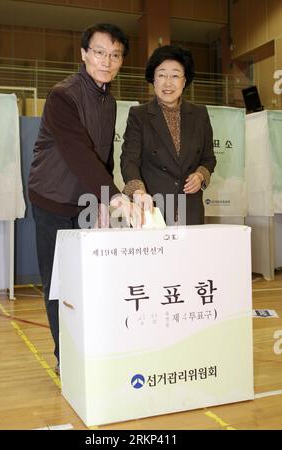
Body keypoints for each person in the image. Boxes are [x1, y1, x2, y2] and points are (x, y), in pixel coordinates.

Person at [28, 23, 139, 374]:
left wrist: (105, 202)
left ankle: (91, 350)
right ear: (84, 54)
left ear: (121, 61)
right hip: (52, 199)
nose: (106, 61)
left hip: (86, 203)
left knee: (90, 282)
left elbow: (102, 156)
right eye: (99, 52)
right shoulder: (63, 95)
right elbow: (77, 152)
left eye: (115, 55)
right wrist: (115, 197)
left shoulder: (110, 100)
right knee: (59, 282)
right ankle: (67, 359)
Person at [121, 45, 216, 225]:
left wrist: (201, 175)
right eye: (162, 75)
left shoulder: (199, 114)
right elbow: (129, 160)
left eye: (175, 75)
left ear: (184, 80)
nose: (168, 83)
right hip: (152, 209)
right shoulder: (139, 115)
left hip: (190, 209)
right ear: (153, 79)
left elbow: (208, 158)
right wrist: (138, 191)